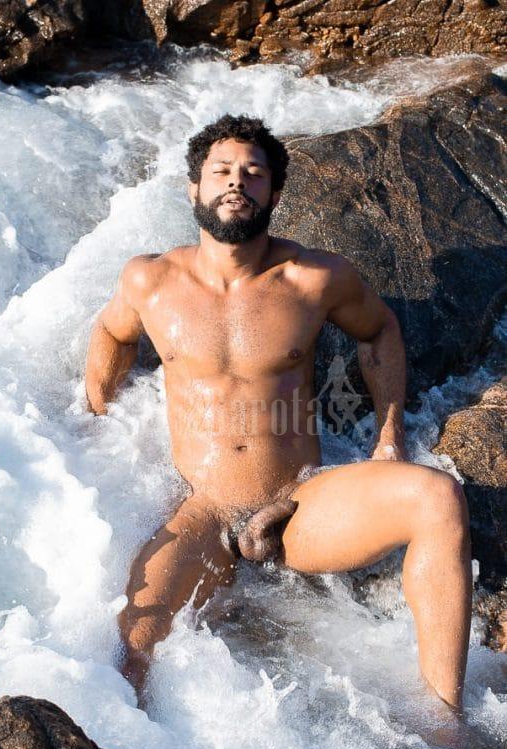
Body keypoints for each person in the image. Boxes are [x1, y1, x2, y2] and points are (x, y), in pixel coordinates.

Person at [85, 114, 471, 710]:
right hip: (204, 511)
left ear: (275, 192)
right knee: (134, 644)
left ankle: (446, 719)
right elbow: (113, 334)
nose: (236, 182)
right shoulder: (149, 280)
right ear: (194, 188)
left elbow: (378, 331)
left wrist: (389, 437)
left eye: (254, 173)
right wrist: (94, 421)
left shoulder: (315, 278)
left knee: (438, 498)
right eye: (221, 171)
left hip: (300, 504)